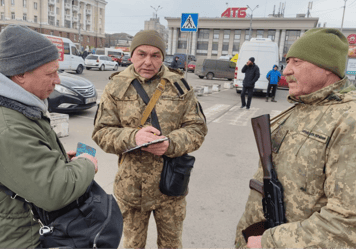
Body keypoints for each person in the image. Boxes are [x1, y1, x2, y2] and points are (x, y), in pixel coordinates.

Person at [0, 25, 98, 248]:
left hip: (27, 227)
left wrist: (55, 159)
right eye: (50, 73)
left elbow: (22, 161)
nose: (57, 80)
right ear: (20, 74)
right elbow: (54, 191)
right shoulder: (7, 127)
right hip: (23, 238)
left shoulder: (13, 104)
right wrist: (87, 164)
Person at [235, 28, 356, 248]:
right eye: (287, 61)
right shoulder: (301, 107)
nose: (286, 71)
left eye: (297, 62)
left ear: (327, 68)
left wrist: (269, 242)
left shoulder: (349, 121)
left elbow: (347, 222)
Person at [92, 30, 207, 248]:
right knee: (132, 244)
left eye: (155, 55)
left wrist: (170, 144)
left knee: (171, 245)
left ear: (163, 57)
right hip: (131, 188)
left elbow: (197, 129)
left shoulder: (180, 86)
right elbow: (101, 132)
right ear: (131, 55)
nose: (148, 61)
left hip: (170, 187)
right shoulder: (116, 87)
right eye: (141, 54)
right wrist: (133, 137)